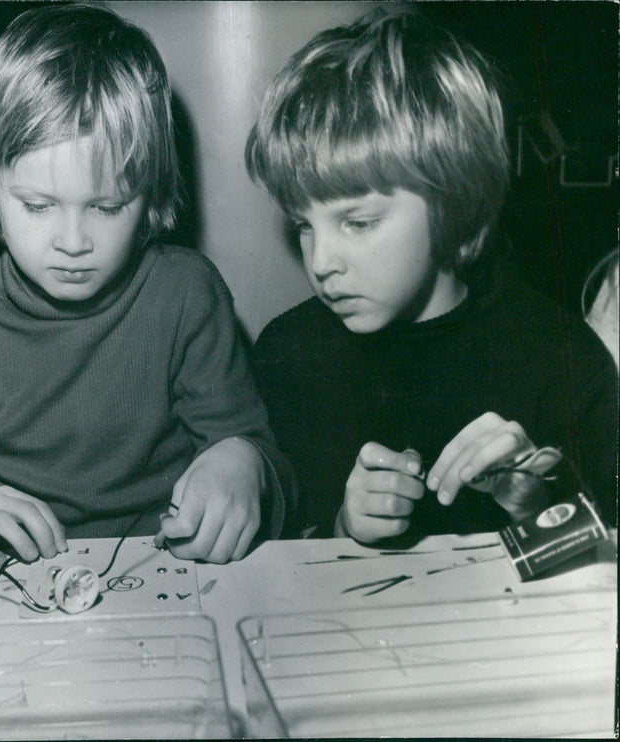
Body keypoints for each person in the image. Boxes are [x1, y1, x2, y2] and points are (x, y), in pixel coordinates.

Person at [0, 2, 294, 566]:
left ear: (152, 195)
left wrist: (246, 464)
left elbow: (279, 477)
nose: (73, 241)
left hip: (169, 581)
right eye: (39, 205)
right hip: (18, 593)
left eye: (108, 206)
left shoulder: (187, 294)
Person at [246, 7, 617, 544]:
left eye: (359, 221)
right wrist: (341, 529)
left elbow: (601, 589)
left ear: (454, 204)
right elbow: (281, 562)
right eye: (303, 225)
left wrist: (537, 499)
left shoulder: (562, 360)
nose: (320, 260)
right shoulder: (290, 354)